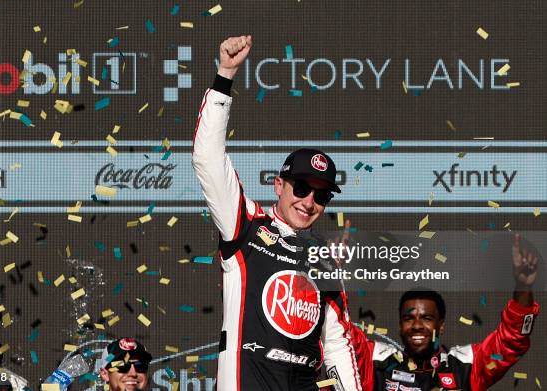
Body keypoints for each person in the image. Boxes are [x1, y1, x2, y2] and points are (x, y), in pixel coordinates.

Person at [192, 35, 362, 390]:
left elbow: (337, 345)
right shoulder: (245, 223)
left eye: (322, 195)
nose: (309, 201)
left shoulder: (325, 261)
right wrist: (225, 75)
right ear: (279, 186)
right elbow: (208, 160)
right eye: (301, 188)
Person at [351, 234, 540, 391]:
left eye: (426, 318)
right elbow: (338, 329)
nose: (417, 325)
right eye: (409, 318)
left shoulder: (464, 365)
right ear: (400, 325)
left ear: (441, 325)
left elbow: (511, 340)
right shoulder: (376, 361)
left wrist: (523, 286)